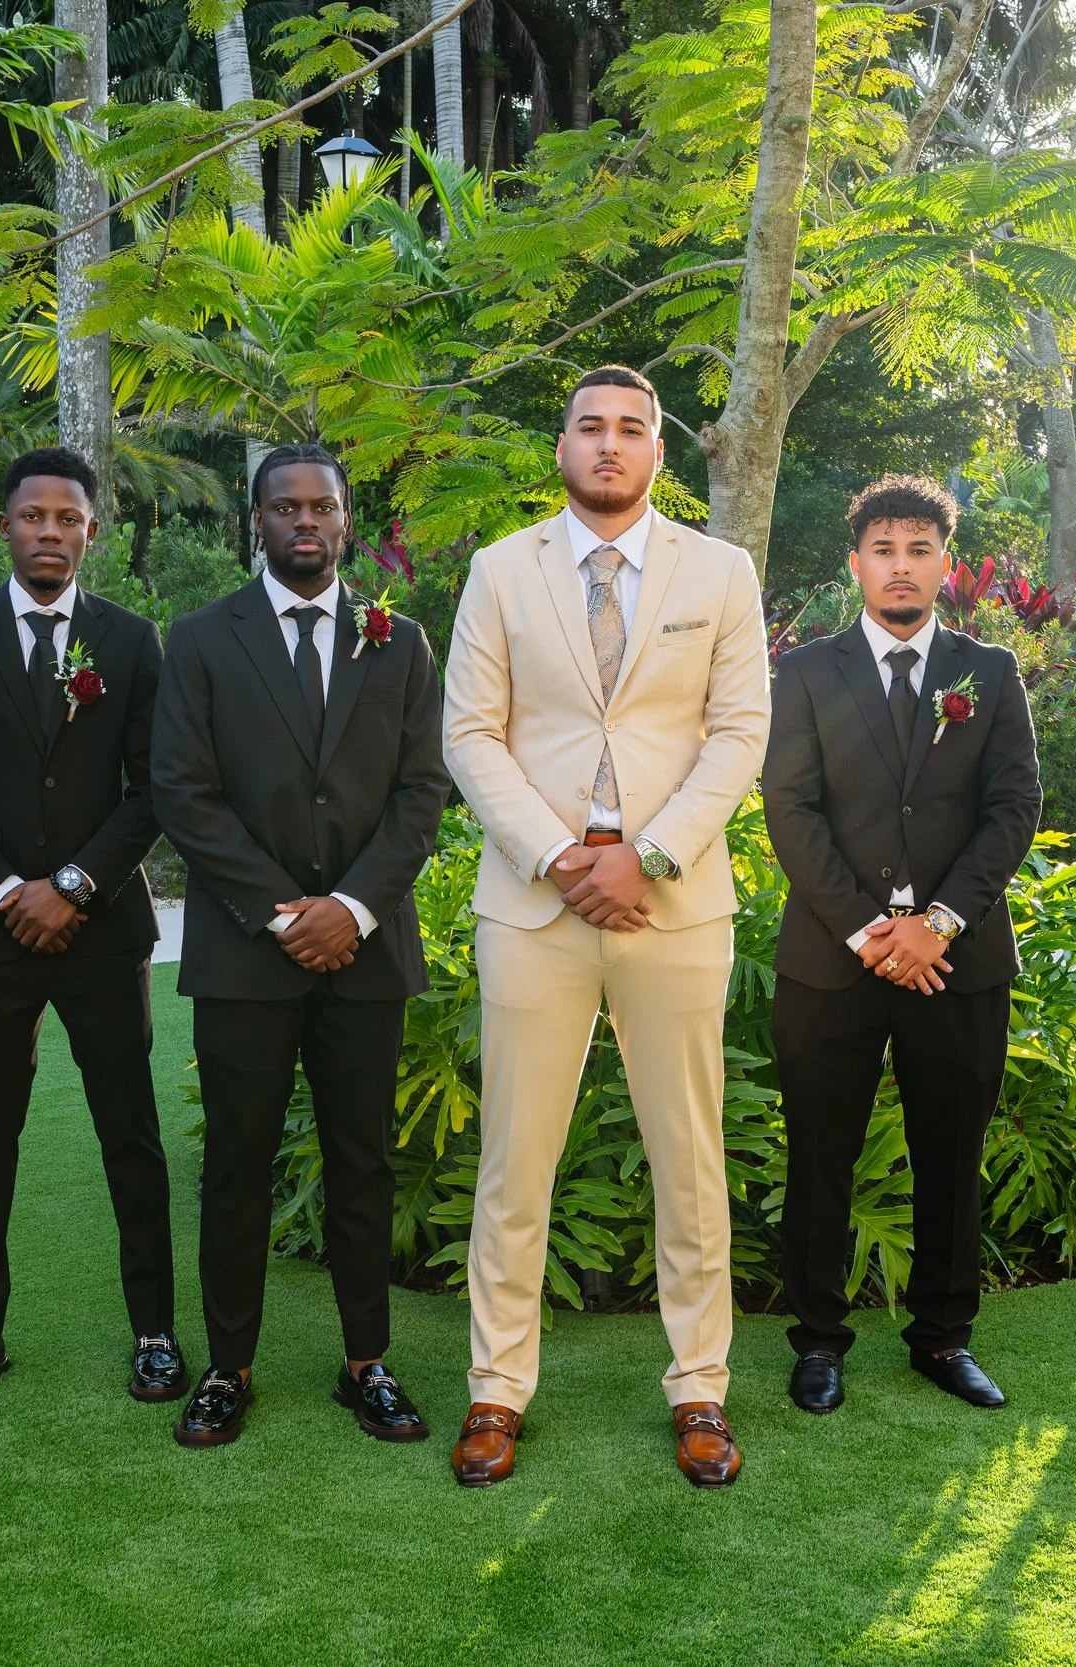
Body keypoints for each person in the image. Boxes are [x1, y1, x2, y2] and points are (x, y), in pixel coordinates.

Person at [439, 365, 772, 1489]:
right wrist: (560, 858)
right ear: (561, 446)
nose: (611, 443)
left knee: (689, 1154)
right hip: (535, 903)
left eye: (633, 428)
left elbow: (738, 731)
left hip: (674, 905)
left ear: (660, 453)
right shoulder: (498, 570)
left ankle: (700, 1389)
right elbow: (471, 735)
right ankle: (496, 1389)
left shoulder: (719, 572)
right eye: (591, 426)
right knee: (513, 1159)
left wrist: (652, 854)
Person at [149, 443, 452, 1448]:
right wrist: (285, 910)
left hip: (364, 953)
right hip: (246, 955)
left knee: (359, 1161)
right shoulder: (198, 640)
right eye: (285, 507)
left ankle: (367, 1360)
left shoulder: (399, 641)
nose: (305, 521)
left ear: (347, 518)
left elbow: (420, 795)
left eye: (321, 505)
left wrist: (352, 909)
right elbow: (182, 792)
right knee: (236, 1163)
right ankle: (226, 1366)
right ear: (257, 521)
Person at [0, 446, 182, 1413]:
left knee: (129, 1137)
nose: (50, 533)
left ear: (91, 532)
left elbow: (153, 792)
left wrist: (71, 884)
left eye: (68, 518)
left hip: (103, 934)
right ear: (6, 527)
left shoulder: (134, 642)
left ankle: (155, 1332)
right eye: (33, 518)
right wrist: (8, 891)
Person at [760, 474, 1042, 1416]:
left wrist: (939, 925)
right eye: (884, 548)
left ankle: (944, 1338)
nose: (901, 565)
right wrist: (868, 929)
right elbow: (789, 810)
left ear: (945, 564)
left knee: (950, 1151)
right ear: (856, 563)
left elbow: (1013, 810)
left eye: (920, 548)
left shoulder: (991, 674)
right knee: (821, 1153)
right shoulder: (803, 673)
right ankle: (818, 1341)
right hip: (830, 961)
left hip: (956, 964)